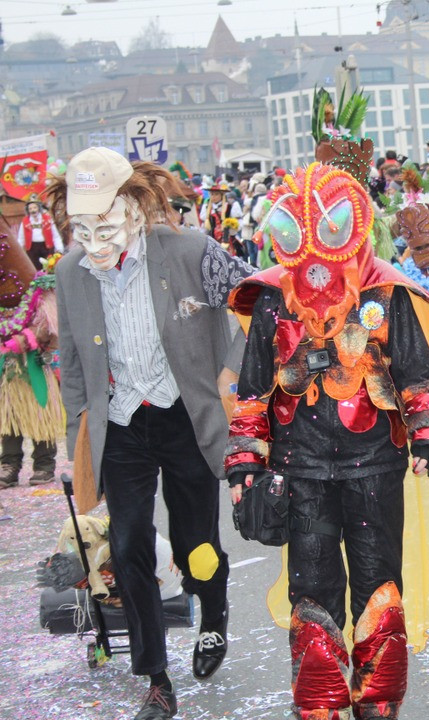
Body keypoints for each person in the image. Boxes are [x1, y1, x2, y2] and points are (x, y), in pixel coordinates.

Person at [226, 161, 429, 720]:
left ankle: (378, 703)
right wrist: (246, 458)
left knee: (378, 582)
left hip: (374, 465)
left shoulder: (385, 293)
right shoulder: (272, 299)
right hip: (301, 470)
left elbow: (417, 371)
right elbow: (252, 390)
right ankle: (320, 707)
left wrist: (428, 432)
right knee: (312, 592)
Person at [48, 147, 253, 719]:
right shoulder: (70, 272)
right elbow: (70, 363)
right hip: (120, 424)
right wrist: (76, 446)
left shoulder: (190, 250)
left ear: (135, 207)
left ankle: (212, 617)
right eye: (82, 226)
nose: (96, 238)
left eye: (106, 223)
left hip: (185, 416)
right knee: (128, 544)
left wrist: (230, 374)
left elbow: (255, 304)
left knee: (196, 545)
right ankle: (156, 676)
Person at [0, 239, 63, 489]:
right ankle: (9, 464)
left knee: (41, 411)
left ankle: (44, 464)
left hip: (34, 363)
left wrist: (25, 339)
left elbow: (48, 325)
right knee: (9, 416)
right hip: (7, 369)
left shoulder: (39, 291)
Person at [21, 194, 60, 269]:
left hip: (46, 247)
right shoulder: (25, 221)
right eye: (30, 209)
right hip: (32, 248)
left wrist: (59, 247)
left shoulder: (47, 219)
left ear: (39, 208)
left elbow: (55, 235)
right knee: (34, 267)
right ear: (28, 210)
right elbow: (21, 237)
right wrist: (19, 249)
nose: (33, 210)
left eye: (35, 207)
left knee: (48, 266)